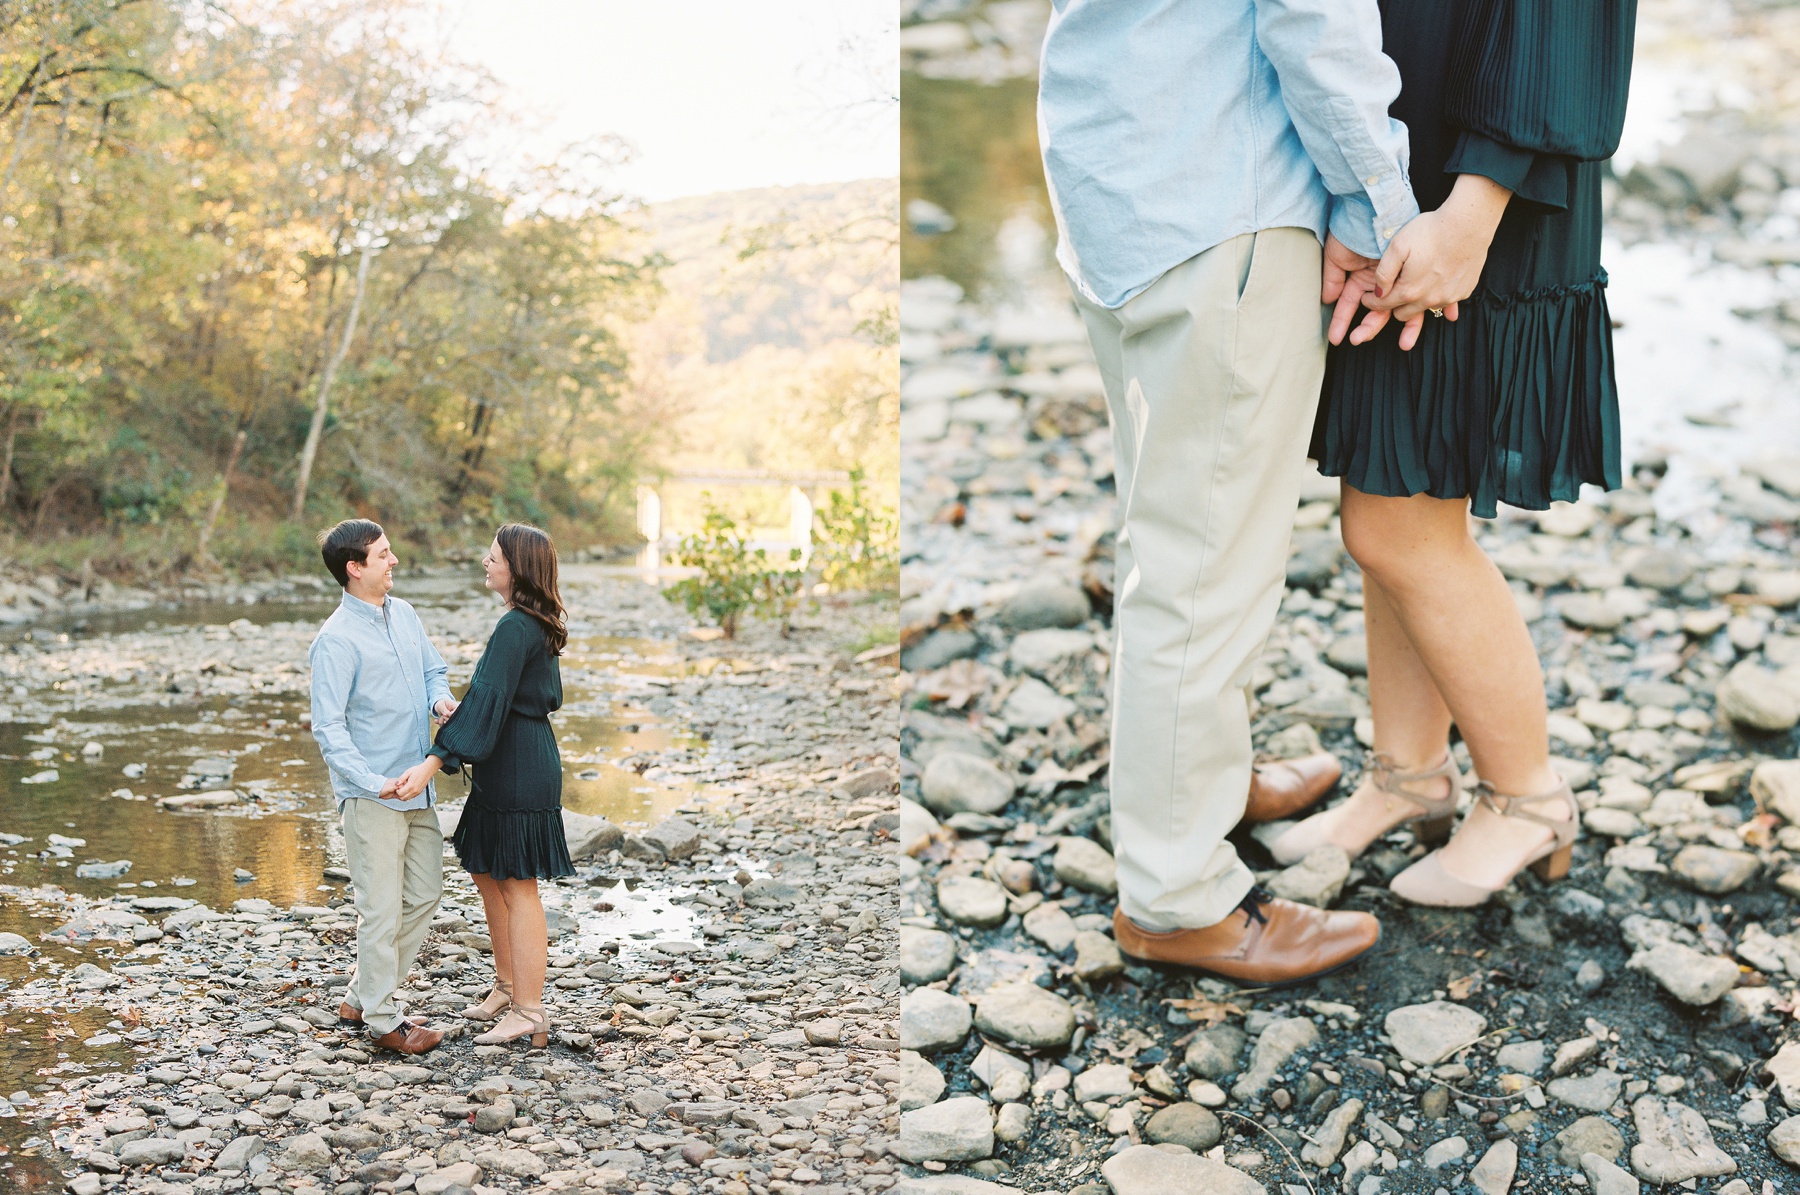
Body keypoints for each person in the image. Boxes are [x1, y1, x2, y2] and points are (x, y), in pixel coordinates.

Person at [1038, 0, 1430, 984]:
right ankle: (1176, 896)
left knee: (1169, 534)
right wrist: (1379, 208)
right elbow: (1311, 14)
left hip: (1117, 174)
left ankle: (1192, 782)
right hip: (1219, 191)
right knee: (1207, 562)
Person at [1273, 0, 1637, 906]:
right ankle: (1409, 772)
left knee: (1398, 529)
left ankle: (1527, 794)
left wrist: (1475, 207)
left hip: (1478, 184)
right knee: (1393, 483)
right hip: (1406, 162)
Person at [392, 523, 573, 1049]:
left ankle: (529, 1011)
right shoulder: (523, 622)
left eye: (493, 556)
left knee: (517, 884)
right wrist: (457, 713)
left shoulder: (517, 626)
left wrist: (432, 761)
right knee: (485, 867)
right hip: (511, 757)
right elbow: (488, 698)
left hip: (521, 764)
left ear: (517, 567)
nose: (485, 562)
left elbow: (490, 697)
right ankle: (507, 985)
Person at [308, 519, 456, 1055]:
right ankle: (383, 1019)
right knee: (380, 909)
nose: (394, 561)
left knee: (425, 893)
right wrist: (373, 782)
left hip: (419, 782)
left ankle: (360, 995)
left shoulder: (407, 614)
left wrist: (439, 700)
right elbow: (328, 728)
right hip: (372, 794)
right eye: (384, 554)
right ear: (355, 568)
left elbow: (433, 671)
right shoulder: (335, 641)